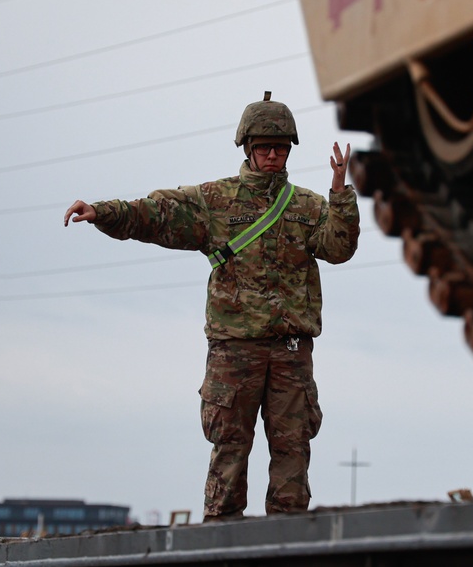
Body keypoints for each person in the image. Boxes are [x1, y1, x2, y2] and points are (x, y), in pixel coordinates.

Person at [63, 91, 360, 521]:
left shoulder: (307, 205)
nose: (273, 155)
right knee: (230, 448)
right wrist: (104, 212)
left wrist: (339, 192)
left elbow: (339, 247)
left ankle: (292, 543)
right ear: (248, 149)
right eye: (264, 147)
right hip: (233, 350)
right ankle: (220, 538)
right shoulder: (215, 201)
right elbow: (157, 213)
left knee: (292, 448)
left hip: (291, 351)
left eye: (279, 147)